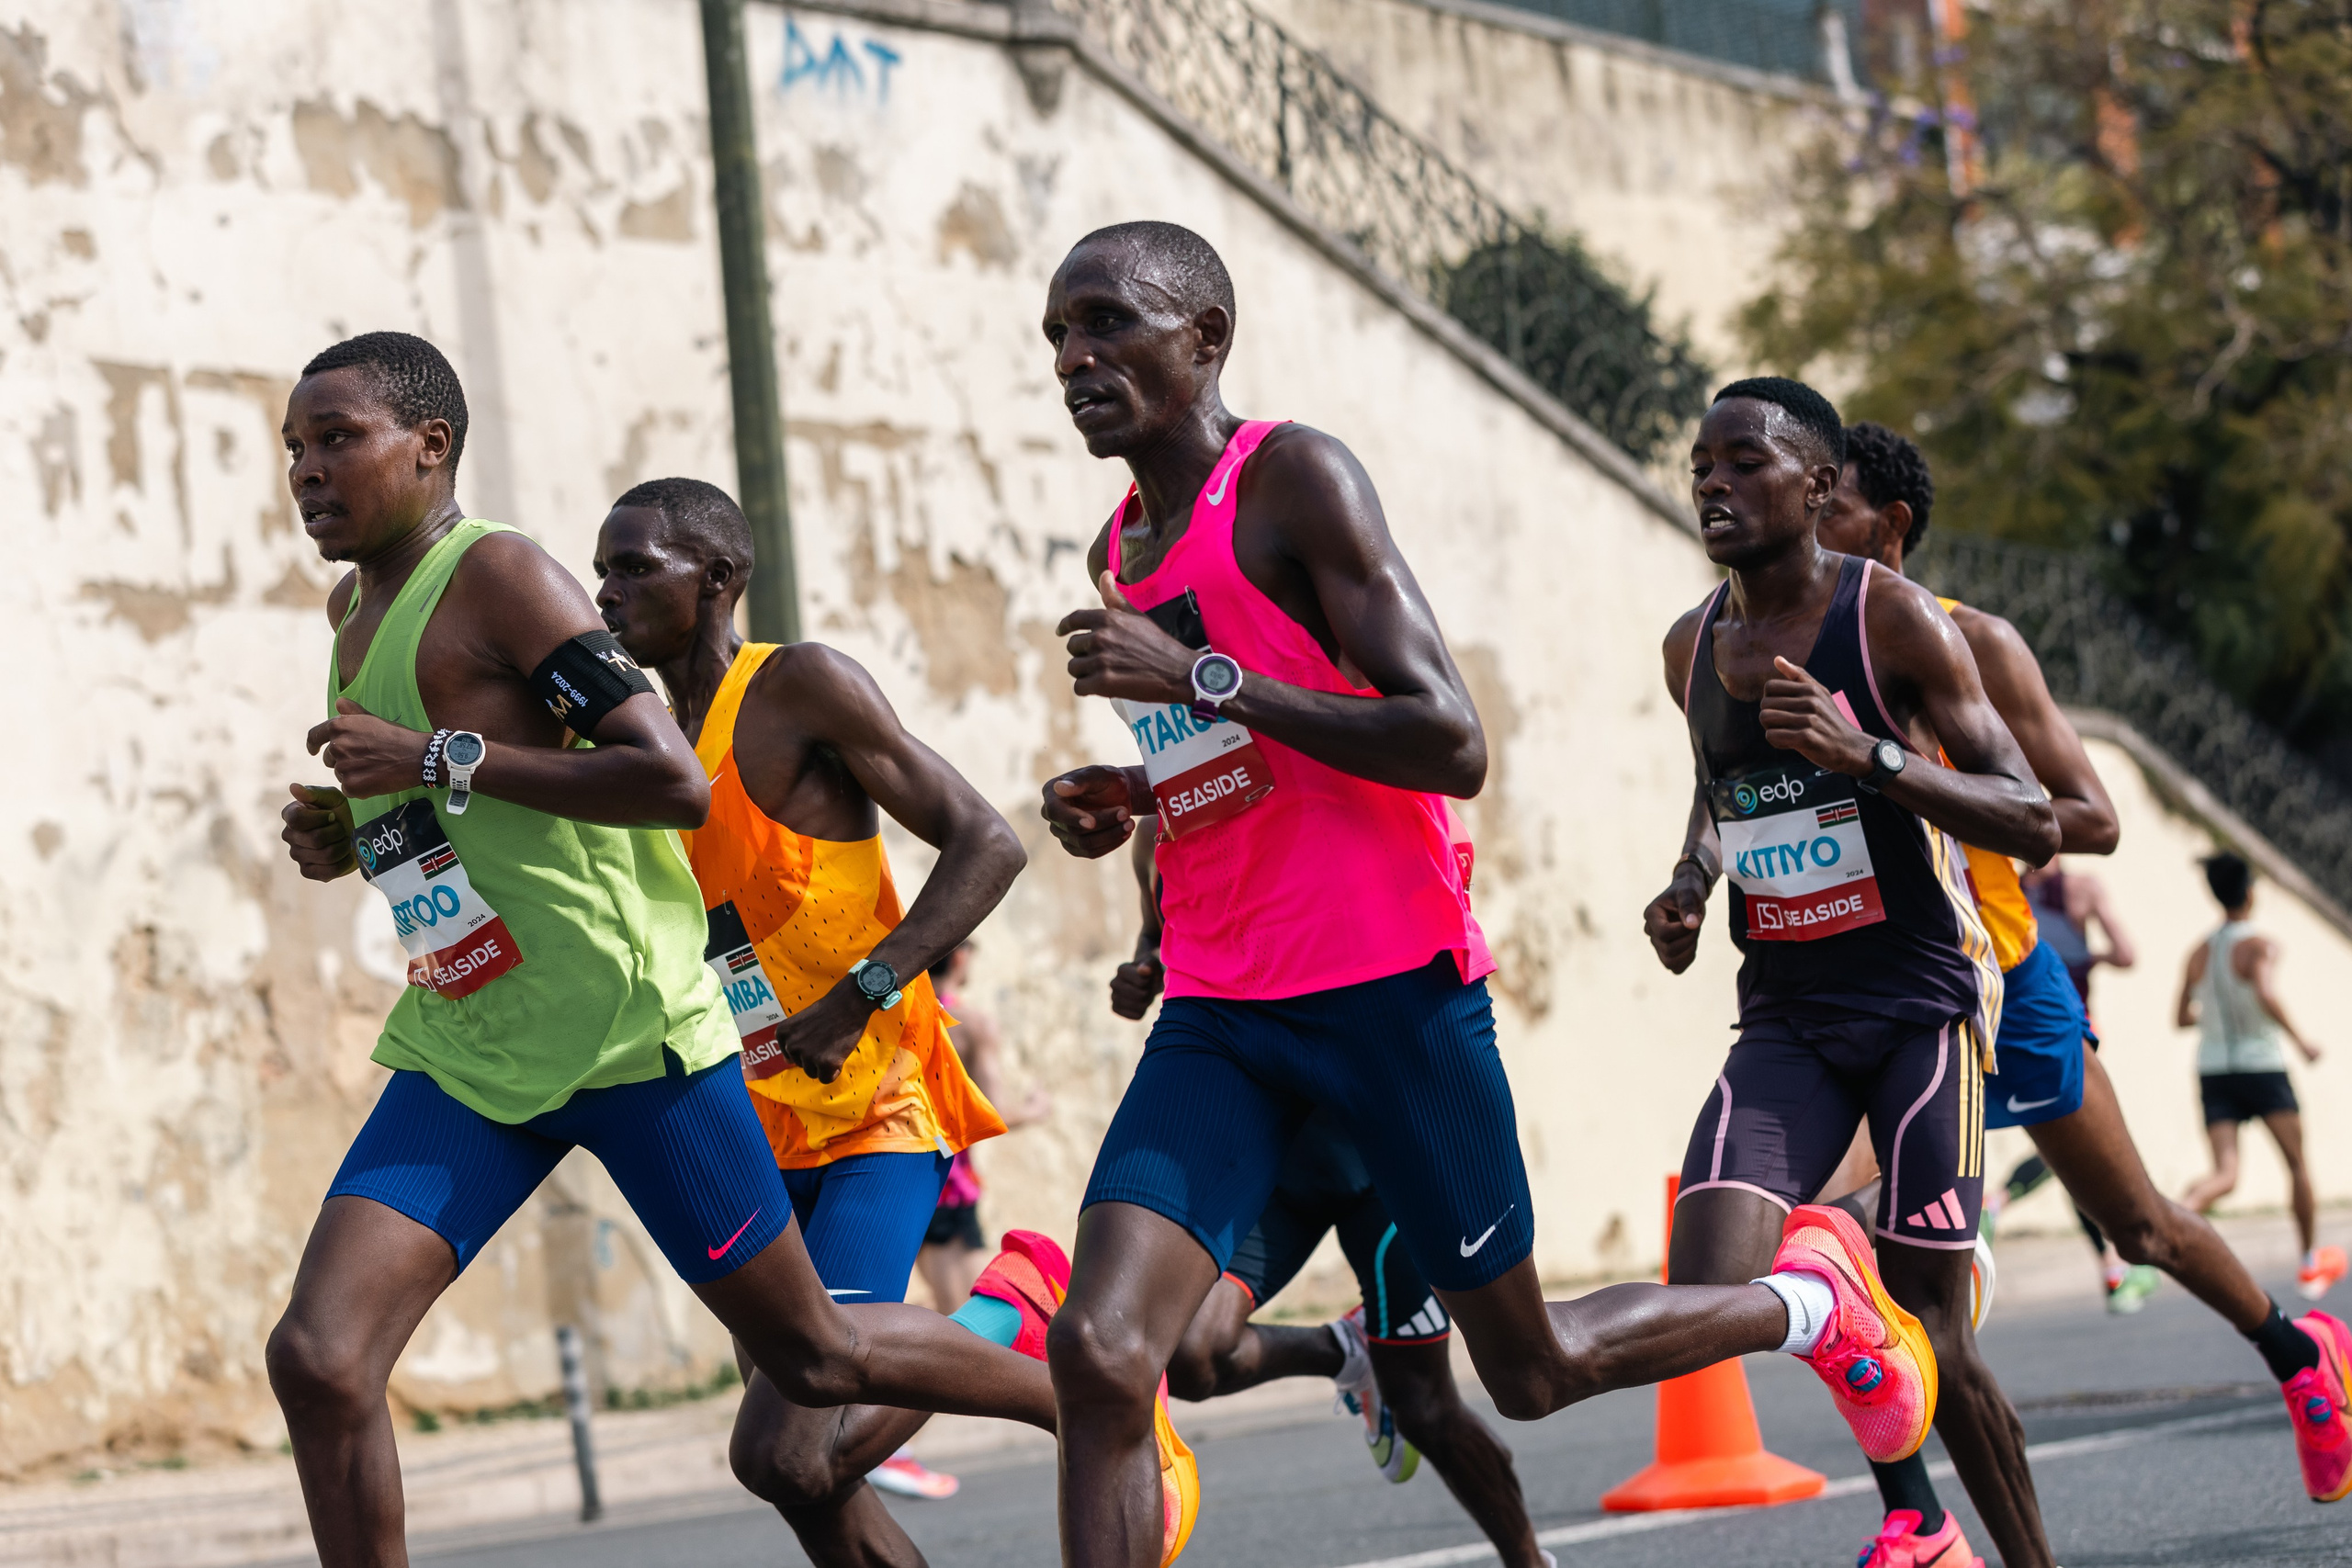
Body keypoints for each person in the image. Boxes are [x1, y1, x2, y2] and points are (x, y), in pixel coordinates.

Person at [1037, 224, 1933, 1568]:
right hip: (1225, 1003)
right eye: (1058, 335)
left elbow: (1446, 736)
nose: (1076, 356)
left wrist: (1197, 681)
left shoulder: (1291, 480)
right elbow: (1243, 757)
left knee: (1531, 1363)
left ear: (1206, 338)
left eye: (1107, 323)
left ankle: (1809, 1301)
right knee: (1103, 1351)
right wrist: (1141, 786)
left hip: (1387, 990)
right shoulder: (1123, 544)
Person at [269, 335, 1062, 1568]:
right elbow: (487, 819)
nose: (309, 469)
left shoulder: (506, 577)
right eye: (296, 448)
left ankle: (1089, 1389)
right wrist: (359, 830)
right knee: (320, 1355)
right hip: (479, 1041)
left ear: (431, 445)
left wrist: (428, 762)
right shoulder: (352, 608)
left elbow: (669, 777)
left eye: (338, 438)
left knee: (816, 1361)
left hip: (630, 1034)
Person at [591, 477, 1189, 1557]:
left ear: (720, 579)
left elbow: (985, 841)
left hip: (872, 1102)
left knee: (788, 1446)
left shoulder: (798, 689)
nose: (604, 591)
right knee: (812, 1488)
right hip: (744, 1127)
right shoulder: (632, 743)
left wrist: (859, 991)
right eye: (601, 569)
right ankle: (1026, 1333)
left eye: (634, 567)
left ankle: (1043, 1348)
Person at [1813, 423, 2352, 1530]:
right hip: (1879, 992)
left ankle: (2298, 1351)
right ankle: (1915, 1518)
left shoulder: (1974, 644)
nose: (1805, 520)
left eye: (1832, 502)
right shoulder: (1777, 653)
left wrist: (1906, 773)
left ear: (1891, 526)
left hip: (2002, 980)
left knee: (2142, 1225)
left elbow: (2091, 820)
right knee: (1828, 1233)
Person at [1648, 381, 2064, 1568]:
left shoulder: (1895, 623)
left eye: (1743, 462)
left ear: (1820, 485)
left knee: (1938, 1324)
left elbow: (2030, 813)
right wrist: (1690, 878)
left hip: (1920, 1008)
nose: (1713, 485)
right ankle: (1873, 1396)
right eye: (1699, 466)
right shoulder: (1692, 644)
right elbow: (1720, 788)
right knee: (1706, 1291)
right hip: (1784, 1012)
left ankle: (1978, 1539)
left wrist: (1868, 751)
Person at [1113, 835, 1553, 1568]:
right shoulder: (1162, 830)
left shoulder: (1308, 805)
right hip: (1280, 1156)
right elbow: (1168, 938)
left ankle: (1530, 1560)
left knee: (1426, 1405)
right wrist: (1145, 968)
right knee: (1190, 1354)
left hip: (1387, 1157)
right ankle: (1346, 1349)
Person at [2178, 852, 2343, 1303]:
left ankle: (2175, 1217)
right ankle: (2309, 1262)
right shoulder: (2261, 945)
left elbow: (2180, 1017)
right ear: (2251, 892)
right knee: (2297, 1165)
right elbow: (2266, 992)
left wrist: (2212, 1017)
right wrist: (2302, 1040)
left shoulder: (2199, 952)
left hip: (2214, 1070)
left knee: (2225, 1174)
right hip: (2262, 1065)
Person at [1998, 861, 2156, 1312]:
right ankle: (1998, 1200)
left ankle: (2111, 1263)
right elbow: (2126, 953)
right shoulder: (2083, 889)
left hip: (2011, 1029)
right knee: (2075, 1145)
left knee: (2066, 1144)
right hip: (2070, 1026)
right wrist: (2088, 957)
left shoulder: (2006, 886)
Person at [919, 942, 1054, 1319]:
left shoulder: (896, 1018)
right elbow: (994, 1114)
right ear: (959, 956)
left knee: (954, 1308)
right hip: (948, 1185)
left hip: (902, 1174)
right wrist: (1034, 1108)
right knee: (969, 1316)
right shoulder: (968, 1025)